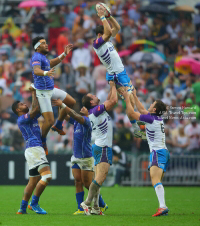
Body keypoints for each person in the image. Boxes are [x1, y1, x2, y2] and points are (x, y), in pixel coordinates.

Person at [52, 99, 107, 215]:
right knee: (77, 181)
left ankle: (101, 203)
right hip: (76, 156)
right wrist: (59, 105)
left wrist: (62, 104)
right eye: (81, 107)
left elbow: (72, 114)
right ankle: (80, 208)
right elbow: (66, 116)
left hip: (86, 157)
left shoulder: (86, 121)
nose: (82, 108)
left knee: (88, 184)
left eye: (84, 108)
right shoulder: (77, 122)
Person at [121, 89, 170, 217]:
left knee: (155, 180)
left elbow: (131, 113)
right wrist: (135, 97)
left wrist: (127, 97)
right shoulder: (156, 117)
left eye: (152, 104)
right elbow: (142, 110)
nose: (150, 104)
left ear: (154, 109)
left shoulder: (151, 119)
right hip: (163, 151)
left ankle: (163, 207)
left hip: (157, 152)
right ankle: (162, 206)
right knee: (157, 180)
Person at [31, 36, 76, 153]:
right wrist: (46, 73)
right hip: (43, 93)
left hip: (51, 89)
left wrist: (64, 54)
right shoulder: (36, 56)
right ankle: (42, 140)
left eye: (46, 42)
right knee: (49, 121)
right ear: (37, 47)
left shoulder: (43, 57)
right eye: (43, 43)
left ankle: (59, 124)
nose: (46, 45)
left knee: (72, 102)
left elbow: (51, 63)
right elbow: (36, 70)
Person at [12, 89, 52, 215]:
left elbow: (36, 109)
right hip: (35, 149)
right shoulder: (22, 119)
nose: (25, 104)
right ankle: (34, 203)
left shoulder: (29, 118)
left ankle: (22, 208)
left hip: (32, 149)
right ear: (18, 110)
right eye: (22, 105)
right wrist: (35, 94)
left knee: (33, 181)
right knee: (47, 176)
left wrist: (39, 97)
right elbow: (35, 110)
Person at [80, 81, 117, 215]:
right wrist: (113, 86)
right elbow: (113, 100)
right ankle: (87, 203)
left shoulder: (95, 111)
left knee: (98, 177)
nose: (96, 95)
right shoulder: (95, 111)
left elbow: (108, 99)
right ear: (92, 102)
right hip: (103, 147)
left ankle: (96, 207)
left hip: (98, 146)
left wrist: (113, 86)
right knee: (100, 178)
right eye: (93, 96)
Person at [93, 5, 133, 96]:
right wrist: (102, 17)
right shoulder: (96, 44)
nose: (108, 35)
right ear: (99, 35)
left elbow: (117, 28)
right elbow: (109, 32)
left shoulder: (106, 40)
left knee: (133, 94)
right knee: (128, 96)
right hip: (116, 74)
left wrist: (109, 16)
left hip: (121, 71)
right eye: (105, 34)